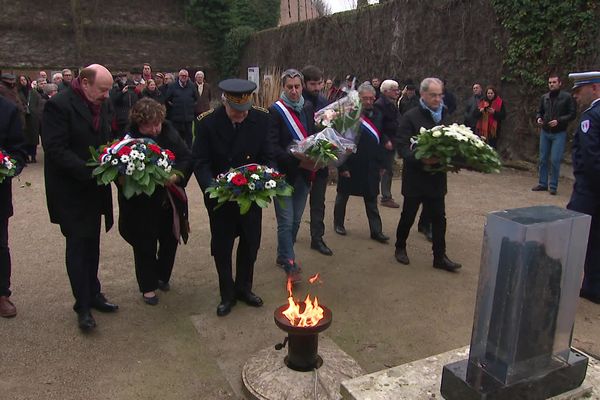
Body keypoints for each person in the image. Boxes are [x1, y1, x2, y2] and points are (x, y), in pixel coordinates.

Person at [41, 64, 119, 332]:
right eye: (102, 90)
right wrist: (92, 171)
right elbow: (55, 149)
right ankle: (82, 305)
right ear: (84, 83)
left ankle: (94, 293)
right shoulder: (59, 106)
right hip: (71, 191)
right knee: (77, 246)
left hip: (95, 190)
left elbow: (107, 138)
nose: (107, 96)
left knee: (93, 244)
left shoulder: (103, 104)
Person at [193, 79, 274, 317]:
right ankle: (227, 294)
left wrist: (263, 180)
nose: (241, 116)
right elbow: (201, 162)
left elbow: (268, 155)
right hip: (222, 198)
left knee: (250, 244)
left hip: (251, 196)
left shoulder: (261, 119)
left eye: (244, 112)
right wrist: (213, 188)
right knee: (222, 246)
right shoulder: (207, 123)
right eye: (236, 112)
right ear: (225, 101)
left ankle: (244, 288)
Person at [117, 98, 192, 305]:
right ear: (138, 123)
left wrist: (176, 177)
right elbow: (118, 171)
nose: (154, 129)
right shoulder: (127, 139)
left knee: (170, 239)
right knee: (144, 244)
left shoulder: (167, 130)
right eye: (148, 125)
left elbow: (186, 157)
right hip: (141, 204)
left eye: (157, 123)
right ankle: (148, 286)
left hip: (168, 200)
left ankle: (162, 276)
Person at [394, 77, 462, 272]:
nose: (438, 99)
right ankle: (400, 247)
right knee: (408, 215)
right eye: (433, 95)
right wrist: (420, 158)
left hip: (437, 178)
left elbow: (452, 141)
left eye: (440, 95)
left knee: (439, 218)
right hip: (416, 178)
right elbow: (402, 146)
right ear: (423, 94)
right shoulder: (410, 116)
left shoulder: (444, 116)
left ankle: (439, 256)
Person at [269, 69, 317, 277]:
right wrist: (295, 157)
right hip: (284, 174)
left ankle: (282, 254)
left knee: (296, 220)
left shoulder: (307, 107)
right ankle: (290, 262)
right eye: (290, 87)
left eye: (297, 86)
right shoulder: (275, 111)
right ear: (284, 88)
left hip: (304, 174)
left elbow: (312, 136)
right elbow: (271, 146)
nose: (295, 91)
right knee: (286, 221)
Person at [334, 83, 391, 243]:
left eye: (370, 98)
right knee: (342, 196)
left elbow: (380, 135)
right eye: (364, 98)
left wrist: (383, 163)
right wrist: (341, 166)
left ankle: (376, 231)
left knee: (371, 198)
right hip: (351, 162)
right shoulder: (349, 114)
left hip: (371, 163)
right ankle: (338, 223)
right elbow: (340, 140)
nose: (368, 101)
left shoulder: (378, 114)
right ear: (358, 98)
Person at [566, 71, 600, 304]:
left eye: (580, 91)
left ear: (595, 88)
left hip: (589, 191)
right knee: (596, 239)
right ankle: (592, 287)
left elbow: (590, 158)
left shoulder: (593, 117)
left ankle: (562, 286)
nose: (576, 97)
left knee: (571, 235)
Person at [301, 65, 333, 256]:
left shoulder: (323, 100)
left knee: (318, 201)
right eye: (313, 84)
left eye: (319, 83)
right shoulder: (297, 100)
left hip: (321, 158)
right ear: (305, 83)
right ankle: (292, 232)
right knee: (296, 201)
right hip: (301, 159)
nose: (317, 87)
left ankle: (317, 238)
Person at [0, 96, 26, 318]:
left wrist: (8, 165)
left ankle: (2, 294)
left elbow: (18, 150)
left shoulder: (7, 110)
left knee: (0, 244)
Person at [532, 75, 577, 195]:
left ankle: (553, 185)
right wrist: (539, 118)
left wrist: (559, 120)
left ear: (560, 83)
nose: (551, 84)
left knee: (555, 160)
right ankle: (542, 183)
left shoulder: (567, 97)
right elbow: (539, 111)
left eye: (554, 82)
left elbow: (572, 114)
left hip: (559, 133)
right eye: (550, 82)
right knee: (542, 158)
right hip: (545, 131)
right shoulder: (544, 97)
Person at [375, 79, 401, 208]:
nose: (398, 92)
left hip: (393, 139)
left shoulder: (392, 103)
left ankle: (384, 194)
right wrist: (386, 140)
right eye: (394, 90)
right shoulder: (380, 104)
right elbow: (378, 125)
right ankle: (385, 196)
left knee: (386, 168)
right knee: (385, 168)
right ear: (386, 91)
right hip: (386, 141)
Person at [164, 69, 198, 148]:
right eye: (182, 76)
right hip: (176, 118)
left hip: (188, 118)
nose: (183, 77)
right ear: (179, 76)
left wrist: (190, 106)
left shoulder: (192, 86)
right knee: (177, 138)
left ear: (188, 77)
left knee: (189, 138)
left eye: (185, 76)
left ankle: (189, 154)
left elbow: (196, 98)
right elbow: (167, 99)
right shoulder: (172, 86)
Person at [16, 75, 41, 163]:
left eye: (24, 80)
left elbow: (39, 102)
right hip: (23, 117)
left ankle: (33, 156)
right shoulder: (17, 92)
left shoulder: (33, 92)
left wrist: (36, 112)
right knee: (25, 138)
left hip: (33, 117)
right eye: (21, 80)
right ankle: (25, 156)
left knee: (33, 138)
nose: (23, 81)